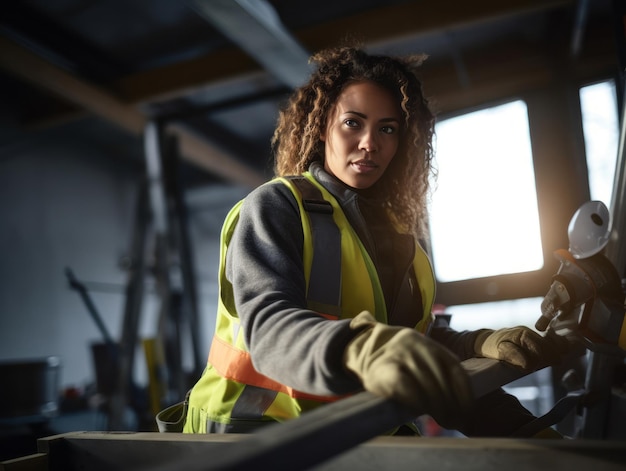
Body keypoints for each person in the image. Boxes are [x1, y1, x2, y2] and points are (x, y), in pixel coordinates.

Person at [182, 45, 565, 437]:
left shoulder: (397, 234)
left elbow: (409, 344)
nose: (370, 143)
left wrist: (477, 350)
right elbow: (270, 330)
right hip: (249, 442)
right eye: (353, 123)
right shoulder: (276, 207)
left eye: (387, 129)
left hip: (349, 440)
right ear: (322, 126)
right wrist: (365, 347)